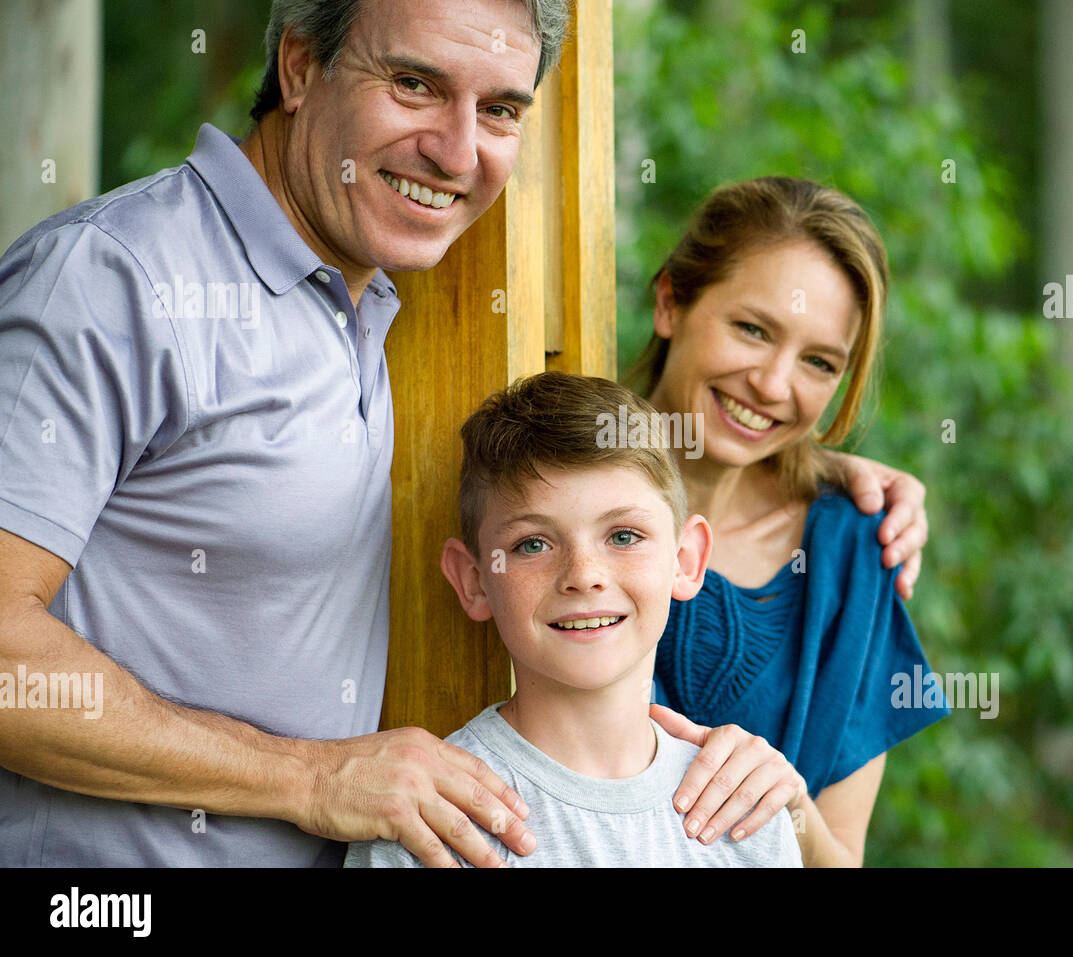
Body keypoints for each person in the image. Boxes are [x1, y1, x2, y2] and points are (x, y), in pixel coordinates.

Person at [0, 1, 927, 867]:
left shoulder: (366, 300)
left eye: (500, 110)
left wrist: (804, 464)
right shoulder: (112, 281)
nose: (454, 150)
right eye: (413, 84)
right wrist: (311, 777)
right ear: (297, 64)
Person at [348, 372, 801, 867]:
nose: (584, 576)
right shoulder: (431, 820)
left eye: (624, 536)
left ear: (687, 560)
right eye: (533, 545)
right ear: (473, 581)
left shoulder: (746, 813)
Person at [633, 177, 949, 866]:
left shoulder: (852, 556)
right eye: (753, 329)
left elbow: (840, 857)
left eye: (818, 361)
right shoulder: (547, 494)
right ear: (670, 302)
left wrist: (784, 801)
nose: (773, 385)